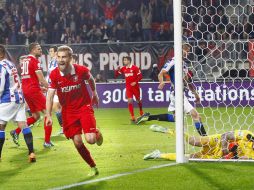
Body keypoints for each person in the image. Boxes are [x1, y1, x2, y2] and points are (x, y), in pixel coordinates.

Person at [45, 45, 103, 176]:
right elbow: (49, 96)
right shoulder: (54, 74)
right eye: (59, 57)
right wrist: (48, 115)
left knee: (91, 140)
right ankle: (93, 166)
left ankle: (96, 132)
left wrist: (94, 93)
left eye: (64, 57)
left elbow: (91, 79)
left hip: (84, 107)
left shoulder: (81, 70)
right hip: (68, 112)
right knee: (77, 142)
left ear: (70, 58)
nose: (61, 60)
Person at [137, 44, 207, 136]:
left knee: (177, 119)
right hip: (177, 94)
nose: (187, 53)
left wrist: (196, 94)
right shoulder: (173, 62)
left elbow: (188, 81)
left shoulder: (184, 64)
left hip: (178, 94)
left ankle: (148, 117)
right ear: (180, 50)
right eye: (186, 50)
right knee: (195, 115)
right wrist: (161, 82)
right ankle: (206, 141)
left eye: (188, 51)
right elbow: (161, 73)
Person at [10, 42, 53, 148]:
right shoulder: (34, 61)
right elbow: (42, 79)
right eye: (38, 48)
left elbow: (30, 77)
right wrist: (51, 88)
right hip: (33, 91)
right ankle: (47, 142)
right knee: (48, 113)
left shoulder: (25, 61)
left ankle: (16, 131)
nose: (41, 50)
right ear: (32, 50)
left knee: (36, 116)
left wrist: (39, 87)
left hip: (26, 90)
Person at [0, 45, 35, 162]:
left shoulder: (1, 66)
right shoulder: (11, 64)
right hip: (19, 98)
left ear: (1, 54)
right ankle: (31, 153)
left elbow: (1, 87)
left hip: (7, 99)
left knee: (1, 127)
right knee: (23, 125)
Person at [144, 128, 254, 160]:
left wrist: (232, 155)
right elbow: (226, 135)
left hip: (217, 156)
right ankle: (169, 131)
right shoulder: (248, 135)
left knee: (188, 158)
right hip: (217, 142)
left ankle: (158, 154)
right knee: (194, 141)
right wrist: (225, 148)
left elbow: (240, 159)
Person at [114, 56, 143, 122]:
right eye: (124, 60)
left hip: (135, 87)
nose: (124, 61)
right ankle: (132, 117)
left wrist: (135, 82)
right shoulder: (123, 68)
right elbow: (116, 76)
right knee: (129, 101)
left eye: (125, 60)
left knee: (138, 100)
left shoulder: (135, 68)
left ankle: (141, 111)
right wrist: (116, 70)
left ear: (129, 61)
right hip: (128, 88)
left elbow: (140, 76)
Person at [47, 45, 63, 135]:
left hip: (58, 87)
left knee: (57, 106)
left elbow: (61, 73)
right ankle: (64, 127)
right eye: (49, 51)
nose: (50, 53)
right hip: (52, 87)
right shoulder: (51, 62)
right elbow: (49, 75)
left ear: (56, 52)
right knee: (57, 107)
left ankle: (64, 126)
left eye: (51, 51)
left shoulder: (58, 61)